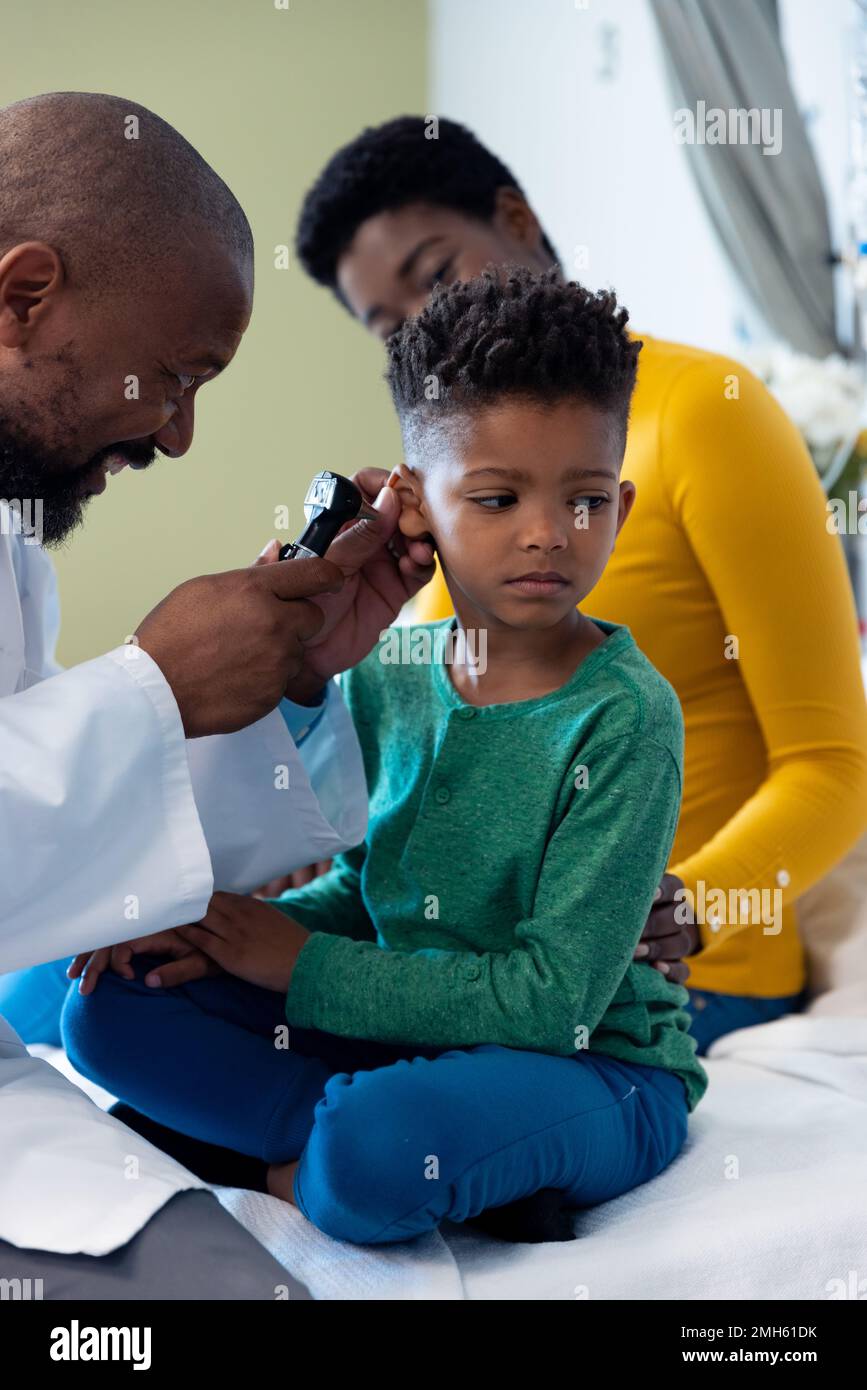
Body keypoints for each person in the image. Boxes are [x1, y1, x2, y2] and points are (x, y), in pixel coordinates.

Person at [62, 270, 707, 1248]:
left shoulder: (627, 720)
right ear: (413, 504)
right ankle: (356, 1156)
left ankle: (314, 1152)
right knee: (109, 1008)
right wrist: (231, 930)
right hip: (407, 1030)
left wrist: (302, 967)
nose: (546, 533)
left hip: (589, 1064)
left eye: (583, 501)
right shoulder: (389, 675)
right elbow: (367, 895)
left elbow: (553, 1002)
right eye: (495, 498)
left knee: (379, 1143)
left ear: (618, 502)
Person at [293, 115, 867, 1053]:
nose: (421, 324)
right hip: (472, 964)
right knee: (86, 989)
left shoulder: (707, 414)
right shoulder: (442, 490)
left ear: (516, 220)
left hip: (669, 981)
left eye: (434, 276)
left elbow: (833, 764)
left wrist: (686, 910)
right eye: (386, 325)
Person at [0, 91, 433, 1298]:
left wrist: (279, 686)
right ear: (22, 297)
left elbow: (58, 822)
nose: (179, 435)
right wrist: (156, 689)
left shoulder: (8, 540)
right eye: (175, 374)